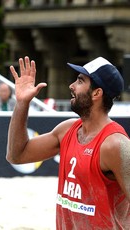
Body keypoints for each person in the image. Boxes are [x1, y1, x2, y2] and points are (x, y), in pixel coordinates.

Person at [7, 56, 130, 228]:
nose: (71, 86)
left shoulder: (115, 144)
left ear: (97, 93)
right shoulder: (67, 130)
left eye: (80, 81)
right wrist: (22, 103)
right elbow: (16, 155)